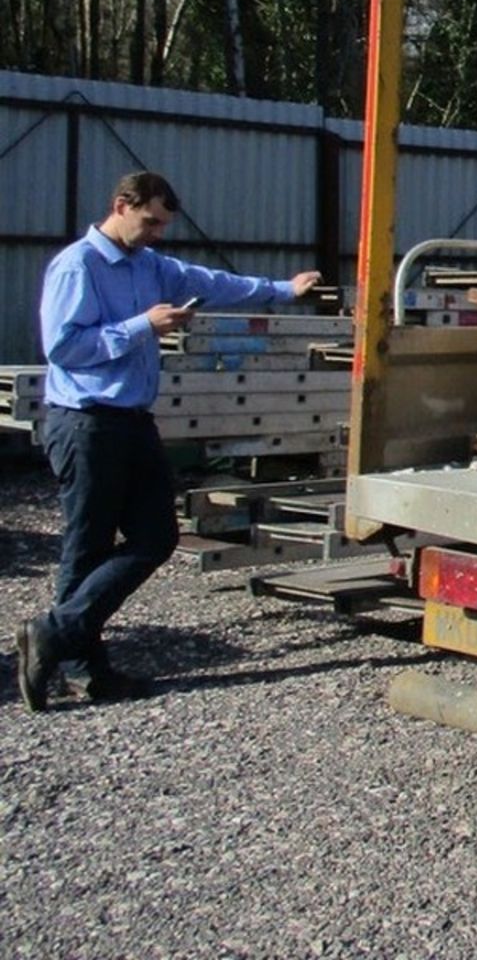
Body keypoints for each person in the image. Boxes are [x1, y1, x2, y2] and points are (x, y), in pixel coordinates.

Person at [15, 171, 322, 710]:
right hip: (86, 421)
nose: (156, 232)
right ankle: (86, 669)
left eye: (162, 224)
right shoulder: (77, 266)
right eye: (149, 221)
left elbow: (213, 282)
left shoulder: (150, 265)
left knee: (156, 536)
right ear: (121, 206)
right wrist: (141, 327)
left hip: (131, 419)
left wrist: (283, 290)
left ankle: (54, 632)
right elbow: (63, 347)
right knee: (86, 547)